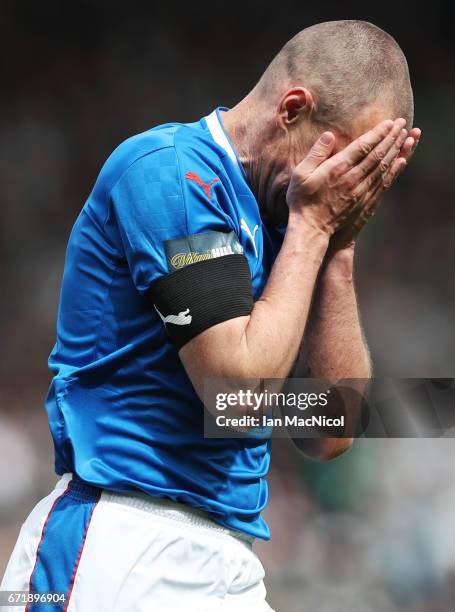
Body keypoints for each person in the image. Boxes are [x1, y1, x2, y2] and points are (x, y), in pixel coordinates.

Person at [1, 19, 420, 612]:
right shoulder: (170, 174)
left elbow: (330, 432)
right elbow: (235, 395)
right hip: (118, 543)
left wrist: (339, 249)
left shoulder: (294, 222)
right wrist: (314, 227)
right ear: (293, 109)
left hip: (229, 558)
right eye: (348, 161)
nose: (345, 188)